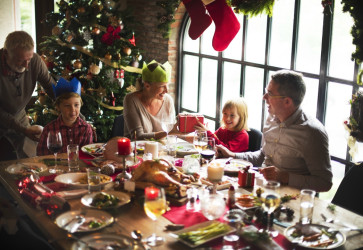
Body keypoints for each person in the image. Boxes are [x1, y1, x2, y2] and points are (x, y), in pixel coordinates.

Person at [217, 70, 333, 192]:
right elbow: (263, 155)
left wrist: (286, 177)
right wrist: (232, 155)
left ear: (287, 101)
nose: (264, 97)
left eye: (270, 93)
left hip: (290, 198)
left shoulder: (312, 133)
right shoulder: (270, 118)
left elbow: (325, 182)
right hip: (261, 189)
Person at [0, 31, 56, 160]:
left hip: (19, 119)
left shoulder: (34, 61)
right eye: (20, 61)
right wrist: (22, 129)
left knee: (27, 163)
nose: (26, 66)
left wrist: (78, 116)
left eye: (28, 60)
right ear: (6, 53)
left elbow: (51, 88)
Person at [36, 78, 94, 156]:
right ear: (58, 107)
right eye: (67, 106)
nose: (73, 110)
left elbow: (88, 155)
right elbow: (41, 155)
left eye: (76, 105)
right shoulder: (49, 129)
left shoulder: (86, 129)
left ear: (80, 105)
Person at [123, 60, 176, 140]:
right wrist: (170, 132)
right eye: (162, 86)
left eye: (167, 85)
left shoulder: (168, 100)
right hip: (137, 150)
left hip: (162, 151)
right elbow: (138, 137)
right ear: (147, 85)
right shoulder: (131, 99)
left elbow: (172, 136)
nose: (166, 90)